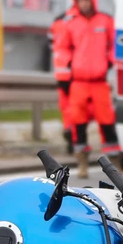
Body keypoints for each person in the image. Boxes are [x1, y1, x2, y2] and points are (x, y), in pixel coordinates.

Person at [54, 0, 122, 178]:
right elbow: (63, 48)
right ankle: (82, 165)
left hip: (99, 82)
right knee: (78, 125)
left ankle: (116, 167)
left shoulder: (105, 21)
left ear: (93, 0)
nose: (83, 4)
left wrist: (110, 61)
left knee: (107, 123)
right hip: (79, 83)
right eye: (80, 0)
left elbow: (113, 45)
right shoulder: (71, 24)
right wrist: (65, 74)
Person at [50, 11, 73, 153]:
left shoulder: (56, 22)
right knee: (77, 109)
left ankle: (69, 133)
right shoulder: (77, 21)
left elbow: (50, 43)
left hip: (60, 74)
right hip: (75, 74)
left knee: (65, 109)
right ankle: (73, 136)